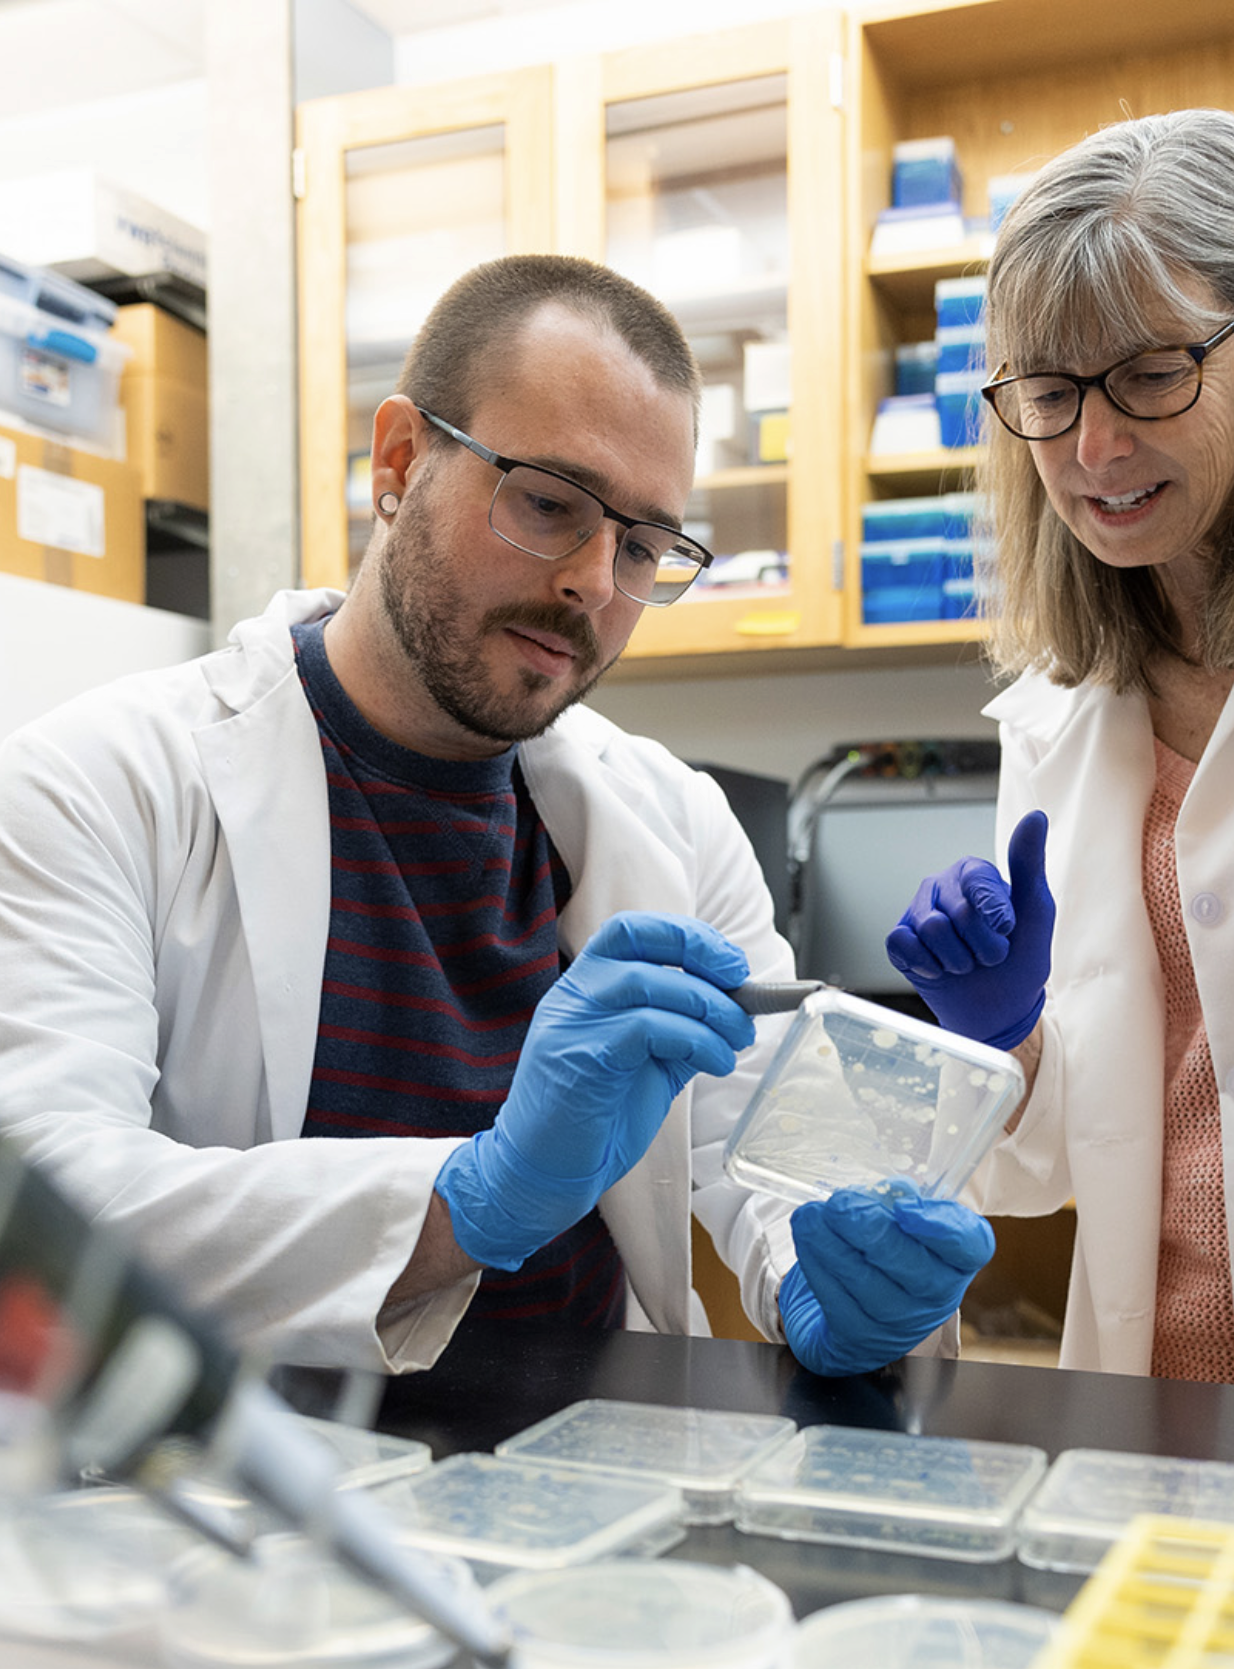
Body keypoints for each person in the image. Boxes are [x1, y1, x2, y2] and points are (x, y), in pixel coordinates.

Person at [0, 253, 991, 1380]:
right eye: (548, 503)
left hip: (595, 1499)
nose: (591, 582)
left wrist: (844, 1286)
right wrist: (472, 1201)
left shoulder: (673, 823)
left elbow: (770, 1166)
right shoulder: (93, 784)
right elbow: (43, 1211)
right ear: (396, 460)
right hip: (238, 1499)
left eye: (642, 545)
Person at [885, 109, 1234, 1382]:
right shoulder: (1061, 721)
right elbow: (1038, 1170)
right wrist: (1004, 1036)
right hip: (1160, 1415)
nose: (1091, 449)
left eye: (1150, 376)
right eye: (1047, 392)